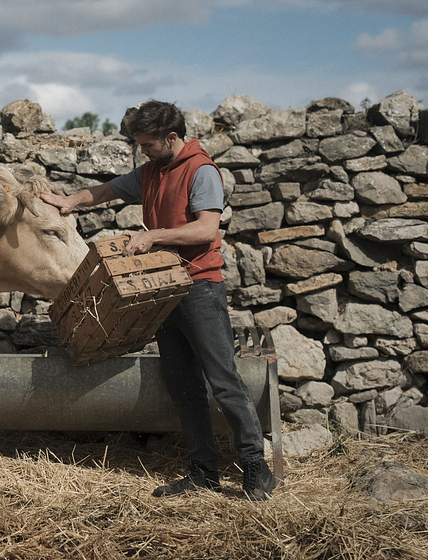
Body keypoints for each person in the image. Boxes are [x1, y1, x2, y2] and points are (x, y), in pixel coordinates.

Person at [40, 100, 277, 501]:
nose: (143, 151)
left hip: (200, 288)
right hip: (163, 288)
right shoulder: (151, 170)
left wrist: (153, 236)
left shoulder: (201, 171)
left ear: (171, 137)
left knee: (224, 380)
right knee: (183, 386)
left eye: (148, 144)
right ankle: (202, 472)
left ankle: (256, 467)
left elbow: (206, 230)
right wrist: (71, 201)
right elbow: (108, 189)